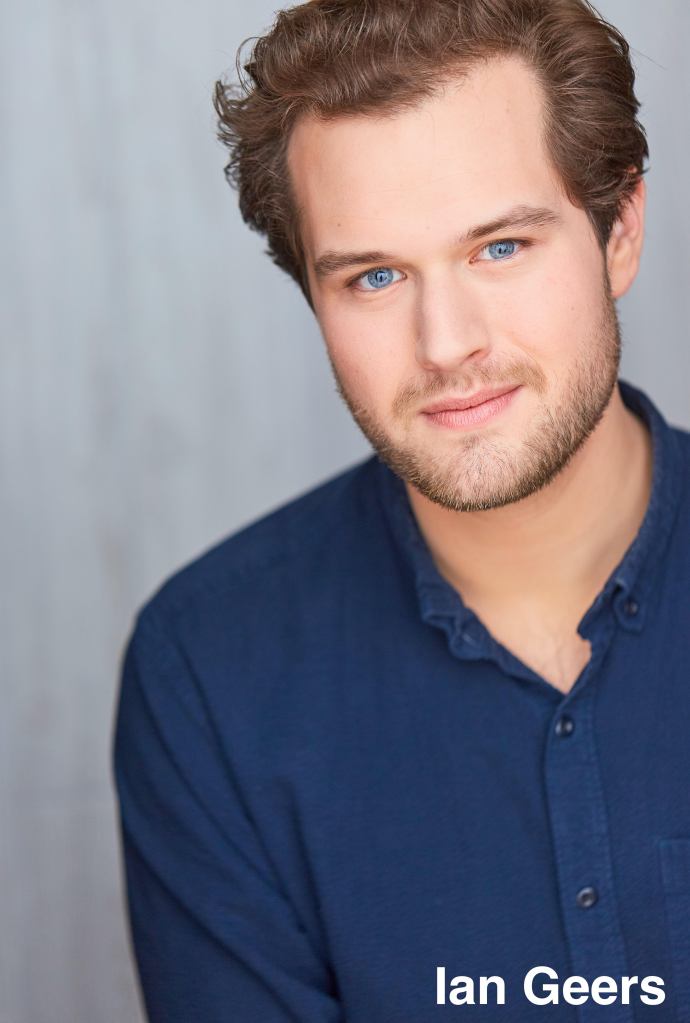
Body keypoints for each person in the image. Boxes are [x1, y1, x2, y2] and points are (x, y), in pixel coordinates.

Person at [111, 1, 690, 1020]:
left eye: (500, 247)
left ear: (621, 233)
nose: (446, 343)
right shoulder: (209, 668)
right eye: (375, 276)